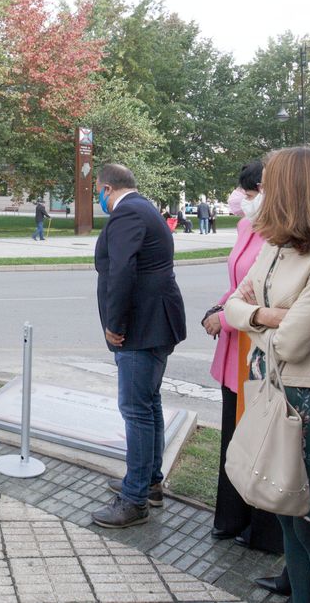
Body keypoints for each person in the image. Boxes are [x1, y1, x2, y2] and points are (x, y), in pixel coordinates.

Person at [224, 147, 310, 603]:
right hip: (273, 391)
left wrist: (256, 317)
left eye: (270, 183)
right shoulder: (277, 246)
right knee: (288, 524)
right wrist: (273, 314)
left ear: (293, 189)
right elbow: (232, 306)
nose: (261, 192)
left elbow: (292, 343)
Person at [196, 161, 285, 555]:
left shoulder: (283, 235)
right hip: (234, 347)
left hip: (259, 349)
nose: (244, 202)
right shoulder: (248, 226)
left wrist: (226, 318)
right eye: (246, 195)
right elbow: (240, 283)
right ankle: (232, 517)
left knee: (262, 440)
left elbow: (269, 296)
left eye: (251, 195)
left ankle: (265, 531)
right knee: (234, 437)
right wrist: (218, 307)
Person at [90, 163, 186, 528]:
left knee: (136, 410)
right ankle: (148, 482)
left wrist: (115, 324)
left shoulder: (126, 212)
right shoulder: (145, 208)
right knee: (149, 404)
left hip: (140, 326)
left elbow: (122, 271)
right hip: (155, 322)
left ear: (108, 188)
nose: (99, 197)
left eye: (99, 191)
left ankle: (134, 500)